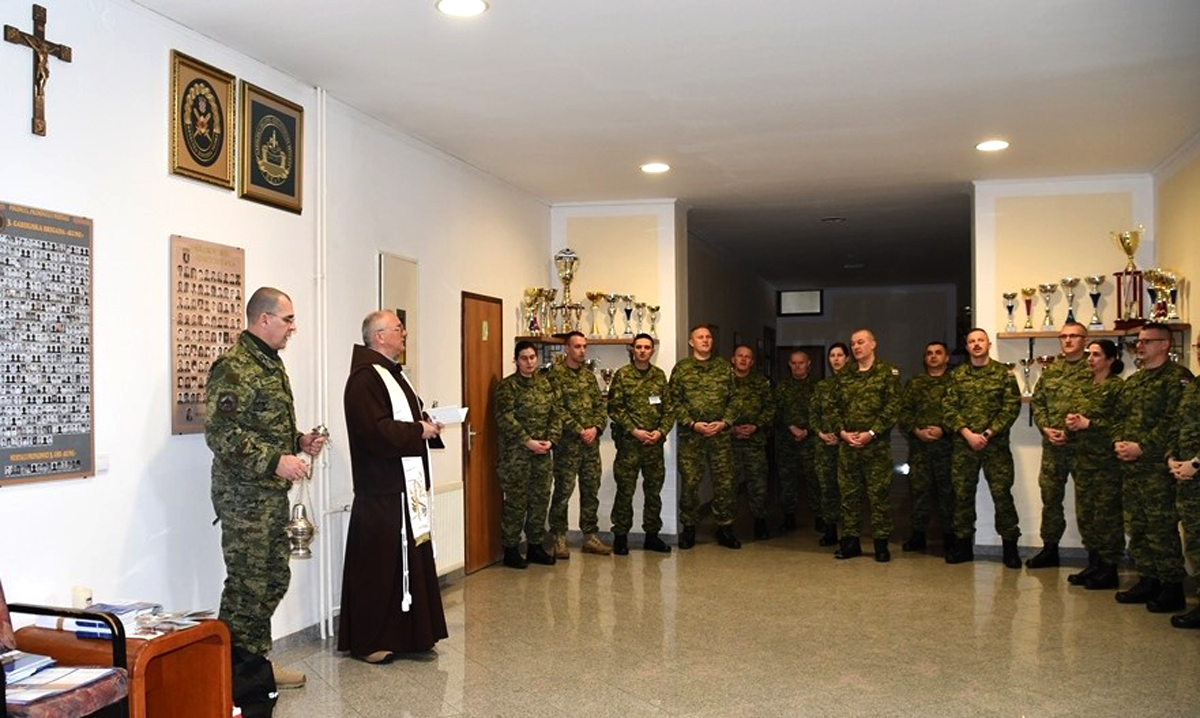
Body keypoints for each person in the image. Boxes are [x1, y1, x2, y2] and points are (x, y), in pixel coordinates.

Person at [205, 286, 326, 688]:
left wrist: (299, 441)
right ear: (264, 319)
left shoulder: (270, 363)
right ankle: (231, 675)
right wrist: (276, 460)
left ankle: (254, 663)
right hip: (244, 498)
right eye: (288, 319)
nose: (293, 327)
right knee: (247, 585)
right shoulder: (234, 367)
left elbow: (264, 427)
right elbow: (222, 434)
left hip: (269, 495)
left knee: (273, 578)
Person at [338, 310, 449, 663]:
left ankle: (410, 634)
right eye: (399, 329)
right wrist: (418, 430)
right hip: (381, 489)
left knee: (410, 559)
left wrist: (427, 425)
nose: (405, 333)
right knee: (379, 566)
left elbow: (403, 421)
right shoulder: (364, 379)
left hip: (405, 484)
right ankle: (370, 641)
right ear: (379, 336)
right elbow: (374, 431)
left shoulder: (393, 375)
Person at [1112, 323, 1193, 613]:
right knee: (1137, 526)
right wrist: (1118, 442)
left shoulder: (1177, 379)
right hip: (1132, 468)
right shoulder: (1134, 381)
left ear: (1165, 345)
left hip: (1159, 469)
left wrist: (1143, 447)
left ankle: (1171, 587)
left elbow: (1174, 421)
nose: (1140, 345)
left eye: (1147, 341)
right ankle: (1148, 579)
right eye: (1138, 341)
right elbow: (1118, 416)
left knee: (1161, 528)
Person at [944, 328, 1022, 568]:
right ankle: (963, 546)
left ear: (988, 345)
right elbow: (948, 408)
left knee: (1002, 495)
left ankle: (1010, 548)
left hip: (995, 446)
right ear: (967, 347)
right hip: (964, 446)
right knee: (962, 496)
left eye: (980, 340)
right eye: (971, 341)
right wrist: (968, 434)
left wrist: (988, 433)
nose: (976, 344)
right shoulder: (957, 376)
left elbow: (1011, 406)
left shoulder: (1004, 374)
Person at [829, 329, 901, 562]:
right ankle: (851, 543)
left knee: (878, 497)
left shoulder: (887, 373)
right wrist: (842, 432)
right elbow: (833, 407)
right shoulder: (845, 375)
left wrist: (872, 433)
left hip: (875, 447)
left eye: (861, 342)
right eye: (853, 344)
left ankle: (881, 544)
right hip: (848, 447)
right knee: (849, 497)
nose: (856, 347)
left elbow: (892, 407)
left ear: (873, 344)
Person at [1027, 322, 1091, 568]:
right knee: (1050, 498)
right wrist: (1045, 428)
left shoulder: (1094, 369)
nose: (1068, 340)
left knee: (1088, 501)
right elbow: (1038, 402)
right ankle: (1050, 549)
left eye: (1074, 336)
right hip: (1054, 447)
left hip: (1084, 448)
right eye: (1064, 336)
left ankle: (1096, 556)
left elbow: (1099, 407)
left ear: (1085, 340)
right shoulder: (1051, 371)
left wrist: (1070, 433)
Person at [670, 325, 740, 549]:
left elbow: (735, 399)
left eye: (708, 337)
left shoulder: (724, 368)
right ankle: (689, 528)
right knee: (690, 483)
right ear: (691, 342)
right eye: (700, 337)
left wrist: (725, 422)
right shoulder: (682, 369)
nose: (705, 340)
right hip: (692, 437)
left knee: (725, 483)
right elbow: (673, 401)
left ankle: (725, 528)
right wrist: (692, 423)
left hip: (720, 436)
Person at [1062, 339, 1125, 589]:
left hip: (1107, 464)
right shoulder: (1084, 386)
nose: (1090, 359)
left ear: (1111, 359)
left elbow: (1122, 424)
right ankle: (1094, 563)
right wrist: (1071, 423)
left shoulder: (1117, 388)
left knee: (1107, 517)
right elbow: (1077, 419)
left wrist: (1090, 424)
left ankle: (1109, 569)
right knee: (1086, 515)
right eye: (1089, 354)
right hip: (1084, 461)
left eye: (1096, 355)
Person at [495, 341, 561, 568]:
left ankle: (535, 546)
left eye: (532, 357)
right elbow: (505, 418)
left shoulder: (545, 384)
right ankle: (511, 550)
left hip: (542, 453)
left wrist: (551, 440)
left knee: (540, 500)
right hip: (517, 456)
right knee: (516, 502)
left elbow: (555, 415)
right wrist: (527, 441)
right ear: (516, 360)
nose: (529, 362)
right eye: (524, 358)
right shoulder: (507, 387)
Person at [607, 333, 673, 554]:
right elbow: (615, 408)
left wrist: (660, 432)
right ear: (632, 350)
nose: (643, 351)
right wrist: (634, 431)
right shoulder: (623, 375)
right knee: (625, 491)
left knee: (653, 492)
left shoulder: (659, 376)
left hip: (653, 446)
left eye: (647, 347)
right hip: (629, 446)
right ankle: (620, 536)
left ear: (652, 351)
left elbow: (669, 410)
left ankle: (652, 536)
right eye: (638, 347)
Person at [547, 332, 611, 557]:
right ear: (567, 348)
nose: (582, 350)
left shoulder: (588, 376)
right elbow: (556, 408)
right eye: (577, 346)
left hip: (590, 445)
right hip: (567, 445)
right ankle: (559, 537)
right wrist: (579, 429)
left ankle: (590, 536)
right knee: (563, 491)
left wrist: (596, 428)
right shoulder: (555, 375)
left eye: (584, 346)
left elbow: (600, 407)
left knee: (591, 490)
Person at [898, 341, 953, 553]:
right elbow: (904, 413)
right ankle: (918, 536)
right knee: (919, 494)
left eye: (938, 353)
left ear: (946, 358)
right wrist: (917, 431)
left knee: (948, 496)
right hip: (920, 451)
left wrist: (943, 429)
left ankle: (950, 538)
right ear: (925, 358)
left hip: (947, 451)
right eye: (929, 353)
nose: (933, 356)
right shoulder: (915, 383)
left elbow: (963, 412)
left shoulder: (955, 382)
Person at [1167, 339, 1200, 628]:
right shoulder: (1193, 387)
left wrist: (1196, 463)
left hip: (1196, 470)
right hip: (1187, 478)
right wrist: (1172, 457)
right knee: (1194, 541)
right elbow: (1177, 426)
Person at [729, 344, 776, 539]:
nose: (743, 359)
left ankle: (760, 521)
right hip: (729, 443)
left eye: (747, 357)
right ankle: (726, 525)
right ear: (733, 359)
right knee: (727, 485)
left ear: (752, 362)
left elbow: (770, 408)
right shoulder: (723, 381)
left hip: (754, 442)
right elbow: (715, 408)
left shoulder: (761, 383)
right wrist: (731, 428)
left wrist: (756, 426)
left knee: (758, 485)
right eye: (740, 356)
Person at [774, 350, 817, 534]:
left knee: (815, 480)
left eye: (801, 363)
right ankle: (789, 517)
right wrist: (791, 427)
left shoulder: (817, 387)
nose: (797, 366)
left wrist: (807, 430)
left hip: (811, 442)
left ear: (808, 364)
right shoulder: (781, 388)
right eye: (794, 363)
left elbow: (822, 414)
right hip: (786, 442)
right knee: (787, 482)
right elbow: (775, 412)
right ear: (789, 365)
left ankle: (820, 516)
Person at [812, 343, 849, 547]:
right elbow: (813, 414)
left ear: (847, 358)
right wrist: (820, 433)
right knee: (827, 489)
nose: (836, 359)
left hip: (847, 446)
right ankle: (830, 531)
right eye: (832, 355)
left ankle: (850, 533)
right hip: (825, 446)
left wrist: (841, 436)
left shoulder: (853, 383)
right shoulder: (822, 386)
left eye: (840, 355)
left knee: (848, 490)